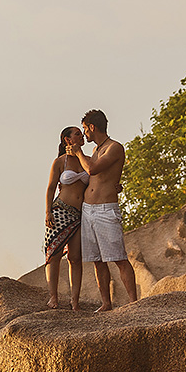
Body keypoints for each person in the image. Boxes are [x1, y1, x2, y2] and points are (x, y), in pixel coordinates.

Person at [67, 109, 139, 311]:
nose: (84, 135)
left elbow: (93, 170)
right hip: (88, 210)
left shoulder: (114, 147)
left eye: (84, 129)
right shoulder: (97, 150)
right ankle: (106, 302)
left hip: (106, 210)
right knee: (97, 260)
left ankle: (134, 302)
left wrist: (79, 153)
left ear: (92, 127)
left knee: (118, 258)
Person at [43, 126, 87, 310]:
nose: (82, 135)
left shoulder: (87, 161)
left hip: (79, 214)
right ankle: (53, 297)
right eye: (77, 133)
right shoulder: (60, 162)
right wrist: (47, 212)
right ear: (67, 139)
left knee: (75, 258)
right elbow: (51, 187)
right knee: (54, 254)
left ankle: (74, 301)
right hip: (60, 210)